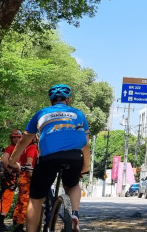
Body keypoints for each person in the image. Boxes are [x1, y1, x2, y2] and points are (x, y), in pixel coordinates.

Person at [8, 84, 89, 232]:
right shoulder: (78, 114)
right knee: (72, 185)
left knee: (36, 198)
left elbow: (24, 140)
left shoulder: (42, 113)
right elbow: (86, 144)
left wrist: (12, 161)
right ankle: (74, 214)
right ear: (68, 100)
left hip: (48, 158)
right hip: (75, 156)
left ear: (51, 100)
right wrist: (85, 167)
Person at [0, 129, 25, 231]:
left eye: (17, 137)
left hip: (14, 177)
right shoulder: (11, 148)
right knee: (6, 199)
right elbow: (4, 160)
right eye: (14, 137)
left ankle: (1, 223)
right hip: (9, 178)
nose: (15, 139)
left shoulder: (18, 148)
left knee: (7, 199)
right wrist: (9, 169)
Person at [10, 136, 38, 232]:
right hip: (27, 177)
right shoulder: (32, 148)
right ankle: (19, 227)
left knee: (21, 202)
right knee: (24, 203)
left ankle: (17, 225)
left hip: (22, 177)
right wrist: (32, 177)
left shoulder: (25, 148)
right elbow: (28, 165)